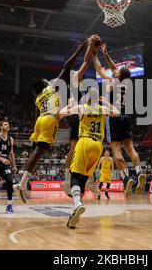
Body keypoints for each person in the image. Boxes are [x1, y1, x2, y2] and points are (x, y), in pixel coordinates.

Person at [14, 36, 100, 203]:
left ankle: (24, 182)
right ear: (45, 84)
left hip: (41, 120)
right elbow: (68, 66)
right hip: (56, 118)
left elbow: (37, 115)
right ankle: (25, 184)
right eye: (47, 81)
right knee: (63, 149)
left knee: (37, 153)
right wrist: (83, 48)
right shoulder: (53, 87)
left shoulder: (38, 99)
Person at [59, 89, 120, 229]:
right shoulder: (102, 109)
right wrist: (106, 102)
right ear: (97, 98)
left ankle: (78, 204)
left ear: (86, 98)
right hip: (98, 146)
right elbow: (117, 112)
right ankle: (75, 210)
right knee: (83, 179)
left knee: (75, 175)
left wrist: (69, 105)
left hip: (84, 142)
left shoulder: (81, 108)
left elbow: (61, 113)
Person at [93, 43, 145, 196]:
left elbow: (98, 69)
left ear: (118, 74)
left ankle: (126, 177)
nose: (115, 70)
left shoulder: (111, 81)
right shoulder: (127, 82)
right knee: (130, 148)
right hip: (126, 116)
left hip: (113, 116)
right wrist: (107, 53)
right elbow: (115, 67)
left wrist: (95, 54)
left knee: (116, 149)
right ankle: (139, 172)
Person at [61, 36, 102, 198]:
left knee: (88, 146)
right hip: (77, 114)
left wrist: (93, 49)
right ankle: (68, 178)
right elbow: (85, 63)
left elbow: (86, 64)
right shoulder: (75, 81)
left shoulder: (85, 87)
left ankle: (88, 179)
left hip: (84, 115)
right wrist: (90, 47)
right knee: (75, 146)